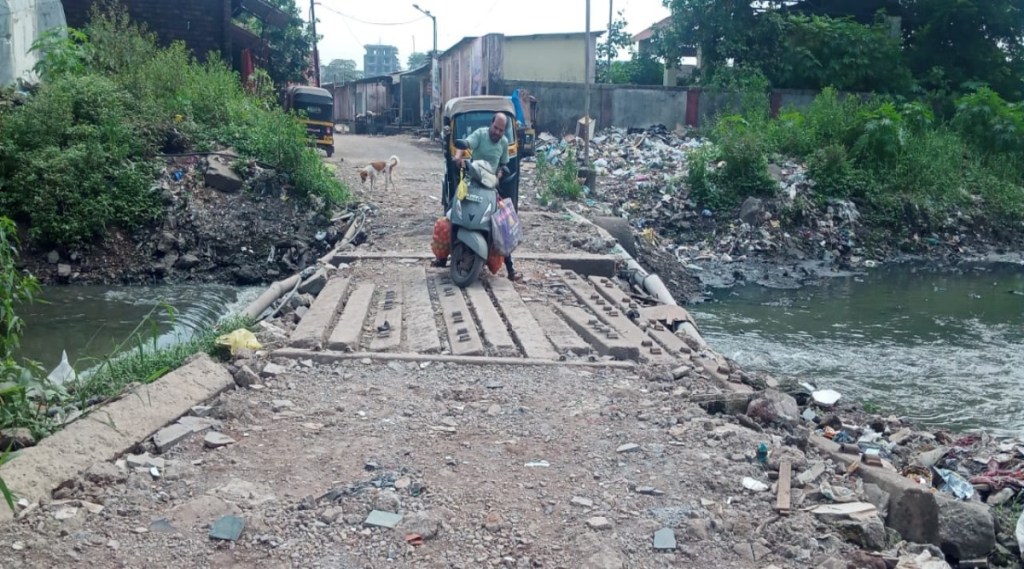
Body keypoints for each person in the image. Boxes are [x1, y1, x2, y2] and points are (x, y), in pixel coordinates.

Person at [449, 112, 522, 281]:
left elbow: (503, 164)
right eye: (496, 128)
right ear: (491, 124)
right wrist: (458, 158)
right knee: (450, 212)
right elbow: (465, 143)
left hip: (490, 186)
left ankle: (510, 269)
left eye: (501, 130)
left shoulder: (503, 143)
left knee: (504, 222)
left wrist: (500, 174)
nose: (497, 132)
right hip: (471, 181)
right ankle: (442, 256)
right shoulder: (480, 134)